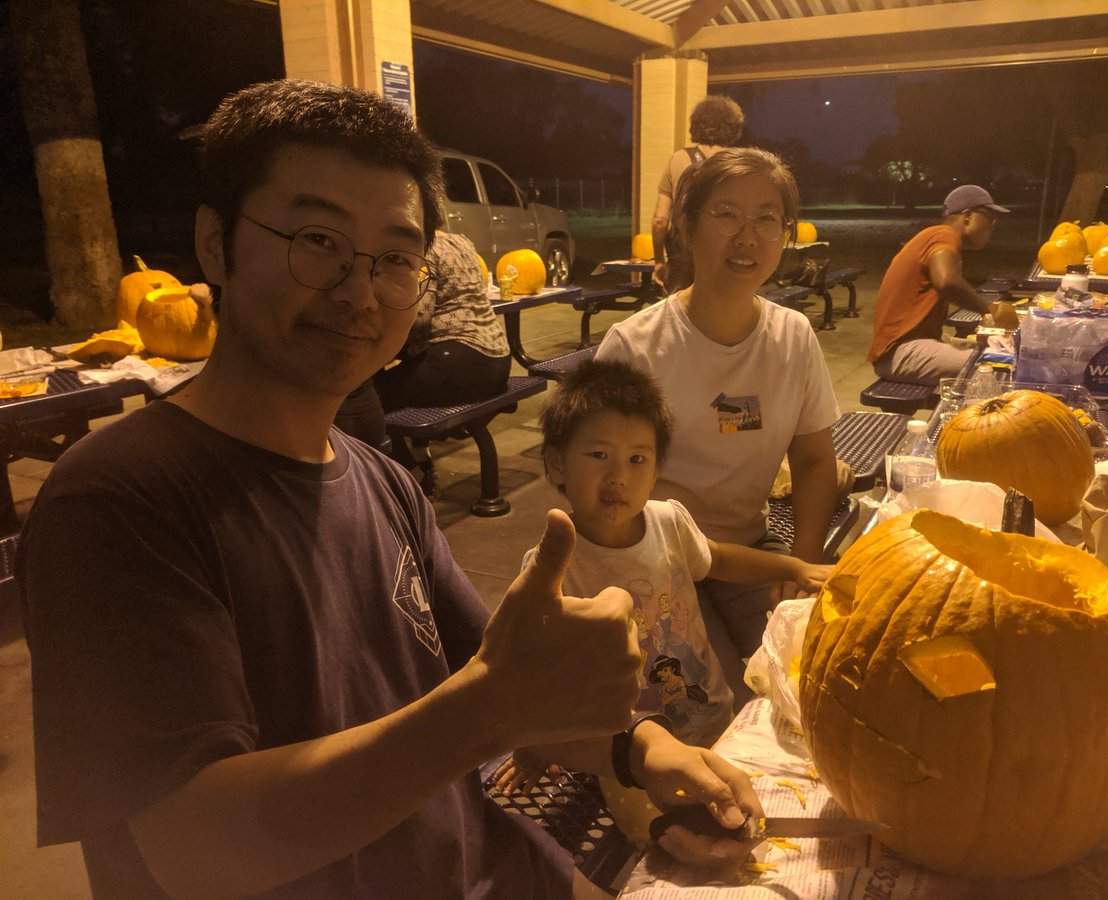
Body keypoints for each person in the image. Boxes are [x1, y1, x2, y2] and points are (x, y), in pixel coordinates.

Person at [18, 79, 764, 900]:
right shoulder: (120, 501)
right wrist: (492, 711)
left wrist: (644, 751)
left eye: (396, 258)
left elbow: (513, 676)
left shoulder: (379, 481)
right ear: (215, 244)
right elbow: (196, 852)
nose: (361, 290)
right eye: (317, 240)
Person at [498, 359, 830, 785]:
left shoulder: (668, 521)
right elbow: (534, 665)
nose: (618, 475)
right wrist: (531, 744)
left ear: (656, 471)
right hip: (630, 756)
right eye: (599, 455)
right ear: (558, 463)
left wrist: (795, 566)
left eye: (637, 458)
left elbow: (721, 558)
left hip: (712, 719)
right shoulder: (552, 564)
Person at [597, 148, 842, 707]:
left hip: (751, 549)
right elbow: (598, 493)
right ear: (686, 226)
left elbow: (813, 460)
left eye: (767, 219)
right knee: (715, 707)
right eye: (726, 214)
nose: (747, 237)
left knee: (806, 682)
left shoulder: (793, 337)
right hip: (655, 562)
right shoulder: (635, 347)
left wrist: (798, 566)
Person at [335, 228, 510, 487]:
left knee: (363, 395)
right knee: (386, 387)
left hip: (461, 361)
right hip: (497, 358)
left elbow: (419, 318)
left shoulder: (426, 251)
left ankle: (411, 477)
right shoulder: (461, 239)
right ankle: (416, 461)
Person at [867, 184, 1010, 386]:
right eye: (989, 220)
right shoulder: (943, 235)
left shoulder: (935, 238)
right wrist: (991, 311)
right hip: (901, 353)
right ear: (967, 216)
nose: (991, 229)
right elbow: (946, 282)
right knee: (1001, 368)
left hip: (908, 350)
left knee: (995, 355)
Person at [651, 95, 744, 292]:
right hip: (725, 253)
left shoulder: (678, 159)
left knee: (679, 314)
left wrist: (659, 260)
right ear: (733, 126)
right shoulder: (739, 163)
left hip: (682, 255)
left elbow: (660, 220)